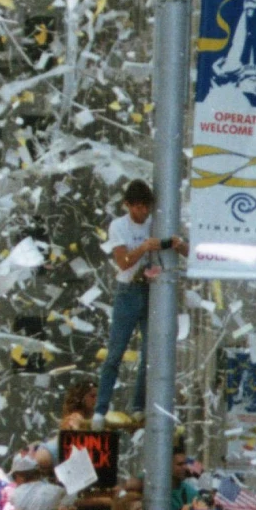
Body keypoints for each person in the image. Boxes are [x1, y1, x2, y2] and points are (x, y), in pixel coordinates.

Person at [99, 180, 183, 428]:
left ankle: (138, 406)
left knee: (149, 353)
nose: (142, 212)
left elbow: (176, 247)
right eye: (137, 208)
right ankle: (101, 408)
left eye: (145, 207)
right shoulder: (118, 226)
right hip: (128, 290)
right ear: (128, 206)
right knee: (116, 351)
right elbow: (123, 262)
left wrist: (173, 243)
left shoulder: (156, 223)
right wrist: (144, 247)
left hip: (152, 291)